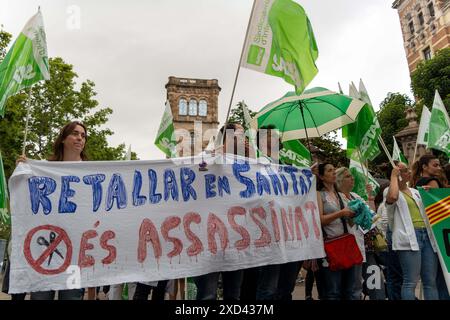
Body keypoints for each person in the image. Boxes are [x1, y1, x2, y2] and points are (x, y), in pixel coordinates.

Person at [16, 121, 90, 300]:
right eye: (75, 133)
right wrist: (22, 170)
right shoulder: (42, 170)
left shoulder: (91, 172)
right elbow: (23, 198)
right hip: (42, 248)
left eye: (83, 135)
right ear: (63, 139)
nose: (80, 137)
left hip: (76, 256)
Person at [192, 123, 246, 300]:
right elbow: (194, 170)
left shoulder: (248, 163)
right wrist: (212, 158)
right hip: (208, 239)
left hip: (237, 239)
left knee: (234, 295)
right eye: (241, 133)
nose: (246, 138)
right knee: (207, 294)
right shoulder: (207, 155)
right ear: (229, 136)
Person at [385, 161, 439, 300]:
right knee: (410, 282)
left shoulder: (416, 191)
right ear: (395, 173)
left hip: (426, 235)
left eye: (408, 169)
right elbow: (392, 197)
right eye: (403, 170)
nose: (408, 172)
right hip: (408, 238)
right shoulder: (389, 190)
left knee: (430, 282)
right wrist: (393, 178)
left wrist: (429, 194)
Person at [316, 163, 359, 300]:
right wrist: (341, 213)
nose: (334, 172)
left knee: (350, 290)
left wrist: (356, 215)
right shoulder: (319, 194)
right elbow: (319, 220)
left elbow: (349, 222)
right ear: (321, 176)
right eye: (329, 170)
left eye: (334, 170)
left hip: (345, 243)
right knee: (333, 292)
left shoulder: (340, 195)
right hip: (330, 245)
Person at [411, 155, 449, 300]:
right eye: (435, 165)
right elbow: (441, 207)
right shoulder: (432, 182)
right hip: (438, 232)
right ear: (424, 167)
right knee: (440, 278)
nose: (439, 168)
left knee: (432, 279)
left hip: (427, 232)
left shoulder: (415, 183)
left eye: (439, 165)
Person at [335, 167, 377, 300]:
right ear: (339, 180)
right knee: (343, 287)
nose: (352, 178)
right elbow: (349, 220)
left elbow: (372, 217)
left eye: (351, 176)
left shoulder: (356, 196)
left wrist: (370, 197)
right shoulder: (336, 198)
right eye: (348, 176)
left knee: (356, 287)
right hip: (342, 246)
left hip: (357, 246)